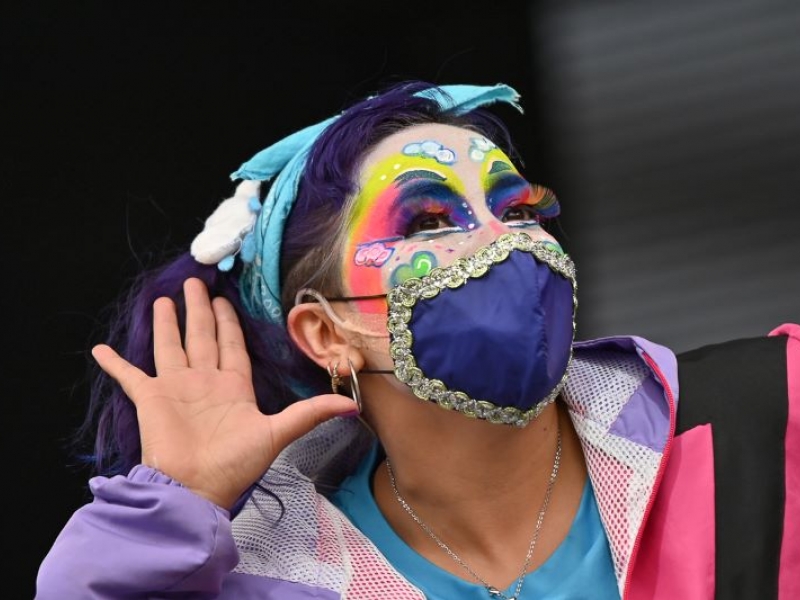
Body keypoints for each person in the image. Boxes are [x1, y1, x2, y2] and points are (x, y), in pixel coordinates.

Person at [36, 80, 798, 600]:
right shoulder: (271, 575)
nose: (506, 242)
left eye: (521, 210)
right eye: (431, 221)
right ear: (327, 332)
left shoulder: (767, 417)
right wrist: (176, 508)